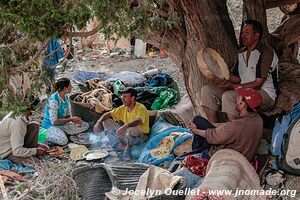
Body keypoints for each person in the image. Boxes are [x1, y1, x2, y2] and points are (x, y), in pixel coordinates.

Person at [201, 19, 278, 122]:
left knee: (229, 96)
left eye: (247, 32)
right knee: (207, 90)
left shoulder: (266, 53)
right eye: (242, 32)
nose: (243, 35)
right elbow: (237, 78)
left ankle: (236, 132)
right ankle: (212, 128)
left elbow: (258, 83)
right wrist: (222, 75)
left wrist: (232, 87)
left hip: (264, 94)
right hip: (242, 89)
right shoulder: (241, 53)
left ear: (256, 35)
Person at [188, 88, 263, 161]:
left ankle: (197, 155)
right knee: (203, 124)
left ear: (243, 105)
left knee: (197, 120)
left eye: (238, 98)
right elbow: (229, 127)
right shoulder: (259, 120)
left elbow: (213, 136)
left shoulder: (237, 126)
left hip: (226, 158)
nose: (236, 99)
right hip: (246, 156)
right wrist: (211, 124)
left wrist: (195, 130)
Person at [93, 87, 149, 160]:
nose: (122, 98)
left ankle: (127, 148)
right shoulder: (123, 108)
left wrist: (125, 126)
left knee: (133, 127)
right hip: (127, 135)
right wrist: (99, 122)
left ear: (132, 98)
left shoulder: (141, 108)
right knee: (106, 121)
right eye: (122, 96)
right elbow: (109, 114)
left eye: (125, 97)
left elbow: (138, 121)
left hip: (139, 137)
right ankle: (120, 145)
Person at [0, 96, 48, 166]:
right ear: (31, 109)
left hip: (13, 144)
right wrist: (35, 151)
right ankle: (25, 154)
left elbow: (19, 137)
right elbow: (17, 151)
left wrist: (37, 145)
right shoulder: (18, 122)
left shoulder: (18, 113)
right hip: (7, 151)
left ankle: (30, 150)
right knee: (38, 164)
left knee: (34, 125)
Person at [42, 77, 82, 146]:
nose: (71, 87)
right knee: (64, 140)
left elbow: (67, 115)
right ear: (65, 89)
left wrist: (74, 121)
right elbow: (54, 121)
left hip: (62, 124)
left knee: (84, 125)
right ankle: (46, 136)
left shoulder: (66, 97)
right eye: (70, 86)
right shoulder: (54, 101)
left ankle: (63, 133)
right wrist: (71, 119)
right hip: (50, 126)